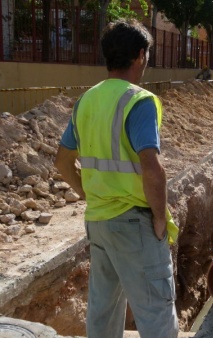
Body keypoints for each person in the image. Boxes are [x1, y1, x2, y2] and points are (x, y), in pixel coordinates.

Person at [54, 19, 178, 338]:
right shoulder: (138, 100)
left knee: (103, 312)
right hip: (134, 224)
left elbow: (63, 160)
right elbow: (152, 169)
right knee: (157, 316)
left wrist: (85, 193)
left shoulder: (86, 101)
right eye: (146, 55)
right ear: (140, 55)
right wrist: (160, 220)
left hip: (99, 221)